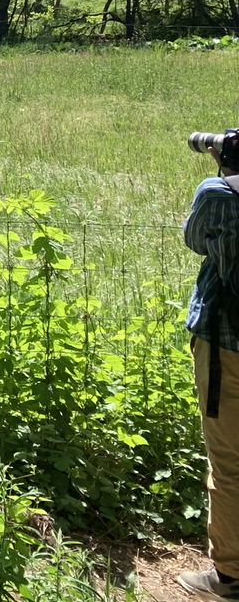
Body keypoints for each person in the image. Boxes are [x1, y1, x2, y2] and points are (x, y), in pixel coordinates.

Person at [183, 130, 239, 599]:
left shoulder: (218, 194)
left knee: (230, 462)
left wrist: (224, 171)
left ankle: (231, 575)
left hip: (228, 344)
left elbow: (195, 240)